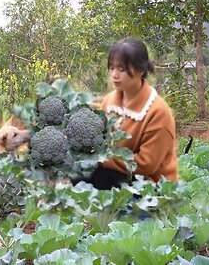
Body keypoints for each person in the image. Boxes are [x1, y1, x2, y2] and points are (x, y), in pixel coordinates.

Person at [76, 38, 178, 190]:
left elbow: (146, 165)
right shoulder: (110, 101)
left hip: (152, 186)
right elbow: (99, 139)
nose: (114, 75)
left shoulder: (158, 112)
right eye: (112, 68)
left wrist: (99, 158)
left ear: (141, 70)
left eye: (121, 69)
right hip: (117, 174)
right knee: (77, 176)